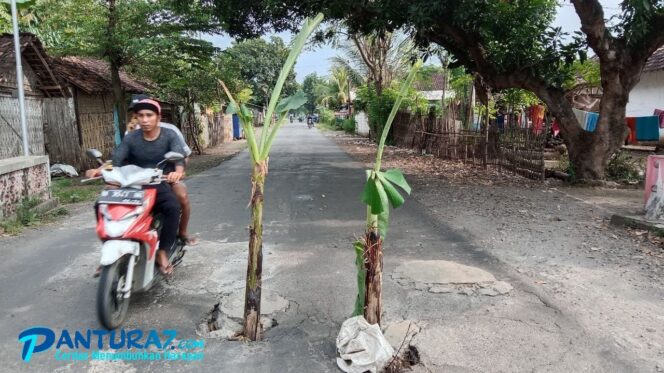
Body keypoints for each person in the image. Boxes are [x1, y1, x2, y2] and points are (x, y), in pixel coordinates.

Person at [87, 98, 185, 275]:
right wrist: (99, 169)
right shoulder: (131, 138)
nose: (145, 119)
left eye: (149, 115)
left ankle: (162, 252)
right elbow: (115, 160)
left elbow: (179, 161)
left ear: (158, 117)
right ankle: (109, 246)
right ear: (137, 117)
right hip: (130, 184)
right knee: (100, 205)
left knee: (172, 206)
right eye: (141, 115)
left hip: (156, 183)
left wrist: (177, 172)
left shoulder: (169, 135)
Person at [127, 96, 197, 245]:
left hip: (165, 177)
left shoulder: (170, 130)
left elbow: (184, 155)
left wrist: (178, 172)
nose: (142, 117)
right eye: (138, 113)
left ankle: (182, 233)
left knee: (181, 196)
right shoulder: (130, 133)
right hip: (139, 178)